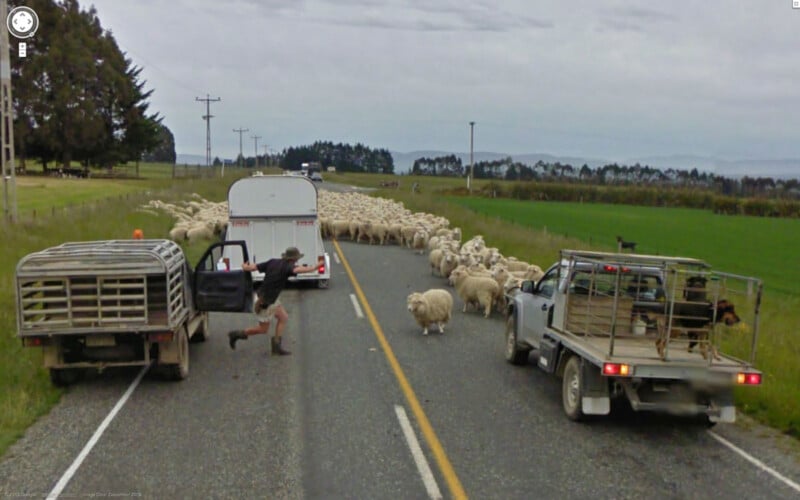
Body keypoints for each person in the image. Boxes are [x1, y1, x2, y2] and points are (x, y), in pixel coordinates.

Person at [227, 247, 318, 355]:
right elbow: (297, 270)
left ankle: (276, 347)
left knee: (283, 317)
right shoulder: (288, 267)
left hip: (268, 297)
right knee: (263, 329)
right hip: (265, 302)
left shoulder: (272, 262)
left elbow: (254, 267)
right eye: (296, 259)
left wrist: (245, 267)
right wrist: (314, 268)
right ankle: (236, 334)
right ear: (294, 259)